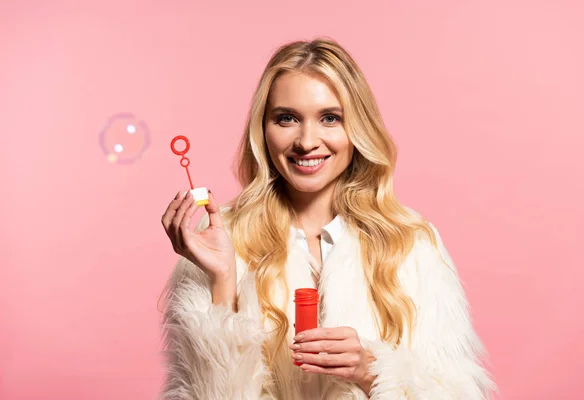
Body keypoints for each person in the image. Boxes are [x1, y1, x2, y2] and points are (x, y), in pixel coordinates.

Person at [158, 37, 496, 400]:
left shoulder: (411, 243)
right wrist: (223, 280)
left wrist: (373, 371)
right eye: (286, 118)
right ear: (263, 129)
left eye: (330, 118)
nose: (306, 141)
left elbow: (456, 390)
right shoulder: (222, 238)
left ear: (357, 129)